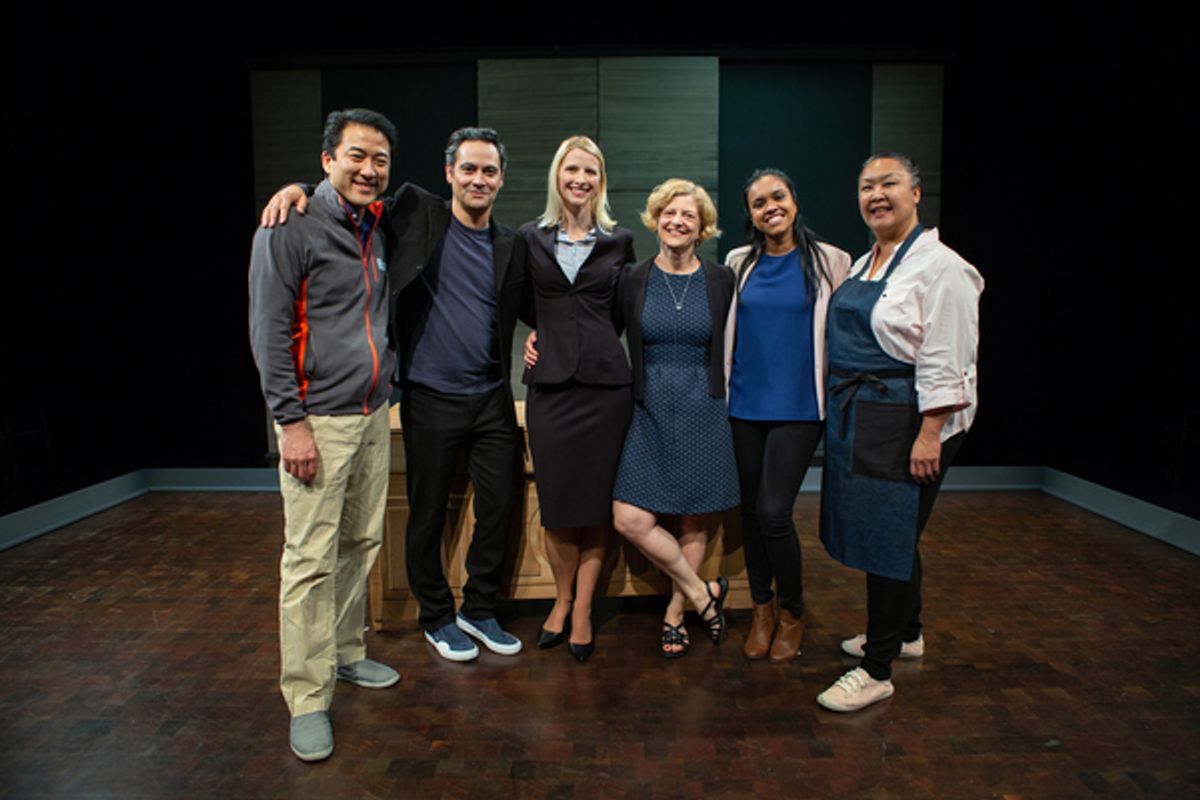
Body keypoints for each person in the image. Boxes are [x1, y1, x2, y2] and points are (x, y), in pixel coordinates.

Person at [261, 127, 529, 664]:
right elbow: (343, 194)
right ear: (449, 172)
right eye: (469, 168)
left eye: (490, 171)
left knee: (500, 507)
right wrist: (296, 188)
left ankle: (479, 608)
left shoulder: (510, 245)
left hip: (491, 399)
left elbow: (531, 309)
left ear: (501, 179)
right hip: (429, 399)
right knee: (425, 513)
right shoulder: (412, 214)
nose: (479, 179)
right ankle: (435, 616)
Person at [249, 108, 401, 762]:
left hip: (372, 415)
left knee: (360, 541)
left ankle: (344, 653)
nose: (369, 169)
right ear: (326, 160)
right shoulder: (289, 227)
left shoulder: (376, 224)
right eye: (356, 156)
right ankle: (307, 698)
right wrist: (290, 424)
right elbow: (268, 333)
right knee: (308, 561)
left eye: (380, 160)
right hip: (316, 421)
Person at [816, 152, 983, 712]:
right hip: (862, 413)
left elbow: (946, 356)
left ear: (916, 194)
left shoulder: (943, 267)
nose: (876, 194)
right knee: (892, 532)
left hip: (909, 418)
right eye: (866, 186)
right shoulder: (867, 261)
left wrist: (930, 432)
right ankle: (907, 633)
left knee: (888, 538)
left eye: (889, 183)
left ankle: (877, 668)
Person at [723, 169, 851, 663]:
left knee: (775, 512)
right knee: (751, 513)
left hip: (800, 407)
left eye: (777, 196)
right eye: (758, 202)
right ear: (750, 214)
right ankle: (761, 610)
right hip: (744, 405)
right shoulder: (739, 263)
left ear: (794, 201)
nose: (769, 207)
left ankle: (793, 611)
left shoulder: (831, 261)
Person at [519, 136, 635, 663]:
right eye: (572, 170)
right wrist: (539, 333)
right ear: (557, 176)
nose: (580, 180)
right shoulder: (531, 237)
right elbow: (524, 302)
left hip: (606, 391)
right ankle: (560, 599)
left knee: (597, 510)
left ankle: (584, 608)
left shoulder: (619, 241)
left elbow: (619, 312)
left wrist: (586, 341)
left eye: (590, 171)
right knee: (560, 509)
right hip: (550, 392)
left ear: (600, 180)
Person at [611, 178, 738, 657]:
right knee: (629, 518)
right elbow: (603, 333)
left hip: (703, 408)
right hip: (649, 409)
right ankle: (705, 593)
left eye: (687, 215)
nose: (677, 221)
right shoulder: (633, 278)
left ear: (701, 227)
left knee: (692, 522)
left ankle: (675, 614)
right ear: (655, 219)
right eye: (668, 213)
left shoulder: (720, 278)